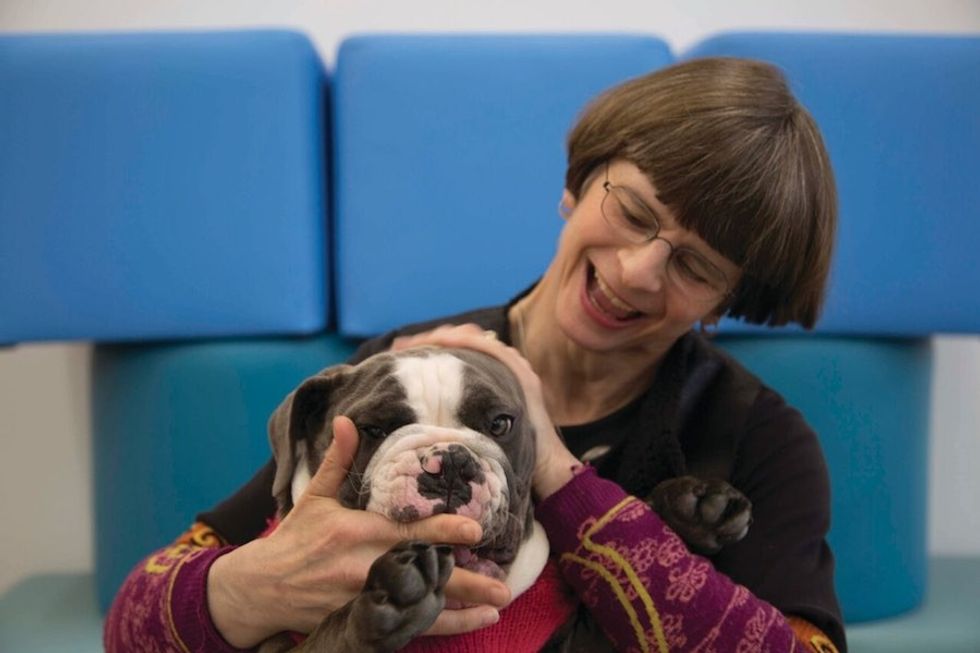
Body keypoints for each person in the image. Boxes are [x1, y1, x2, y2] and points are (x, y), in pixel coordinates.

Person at [105, 56, 845, 652]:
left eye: (695, 266)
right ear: (577, 183)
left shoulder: (761, 440)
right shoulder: (404, 369)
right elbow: (131, 628)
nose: (634, 271)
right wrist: (246, 586)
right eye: (632, 211)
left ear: (726, 302)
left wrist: (554, 469)